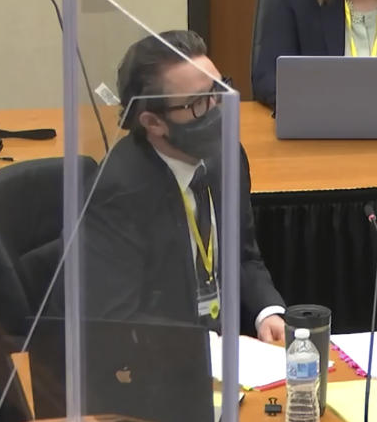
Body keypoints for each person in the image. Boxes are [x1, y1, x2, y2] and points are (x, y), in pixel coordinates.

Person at [81, 30, 286, 342]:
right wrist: (199, 350)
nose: (218, 106)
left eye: (219, 89)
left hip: (231, 354)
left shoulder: (226, 156)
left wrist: (267, 311)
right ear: (153, 123)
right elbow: (116, 321)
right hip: (161, 364)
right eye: (199, 102)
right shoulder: (117, 194)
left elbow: (242, 255)